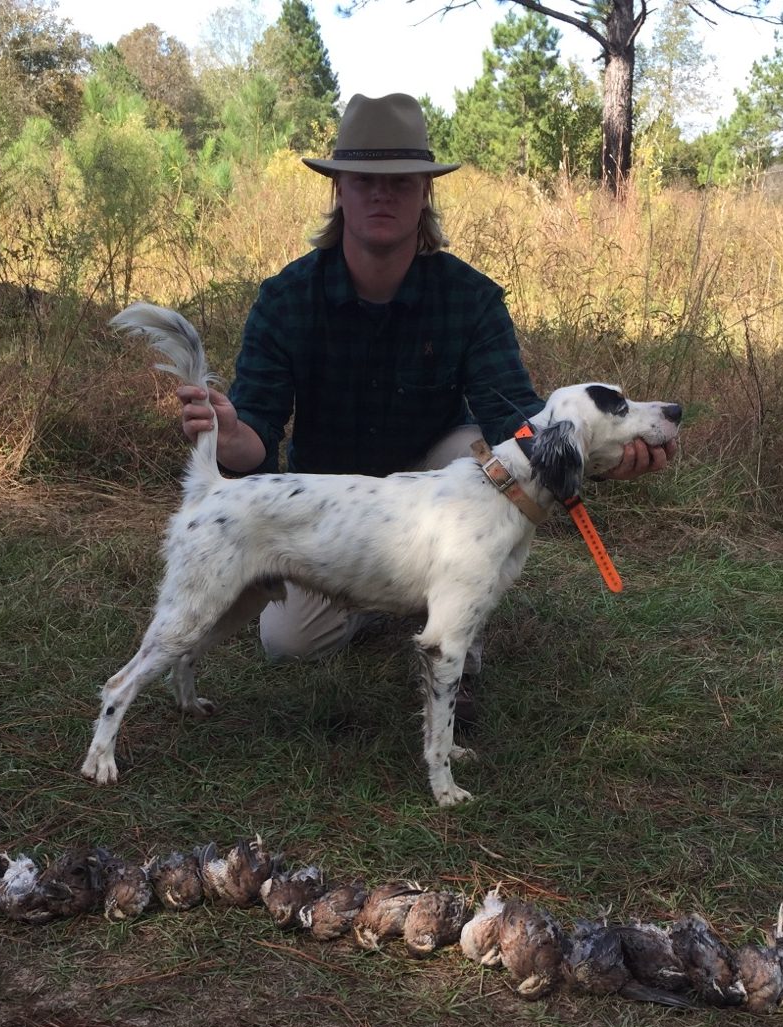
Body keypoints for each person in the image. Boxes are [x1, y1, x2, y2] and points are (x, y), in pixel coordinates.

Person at [176, 92, 675, 710]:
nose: (382, 195)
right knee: (289, 641)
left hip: (444, 484)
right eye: (364, 181)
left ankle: (452, 622)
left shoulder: (471, 299)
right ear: (339, 191)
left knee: (475, 458)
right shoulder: (285, 299)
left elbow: (515, 421)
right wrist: (227, 432)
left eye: (402, 182)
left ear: (424, 195)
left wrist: (599, 448)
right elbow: (256, 437)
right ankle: (393, 590)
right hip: (337, 502)